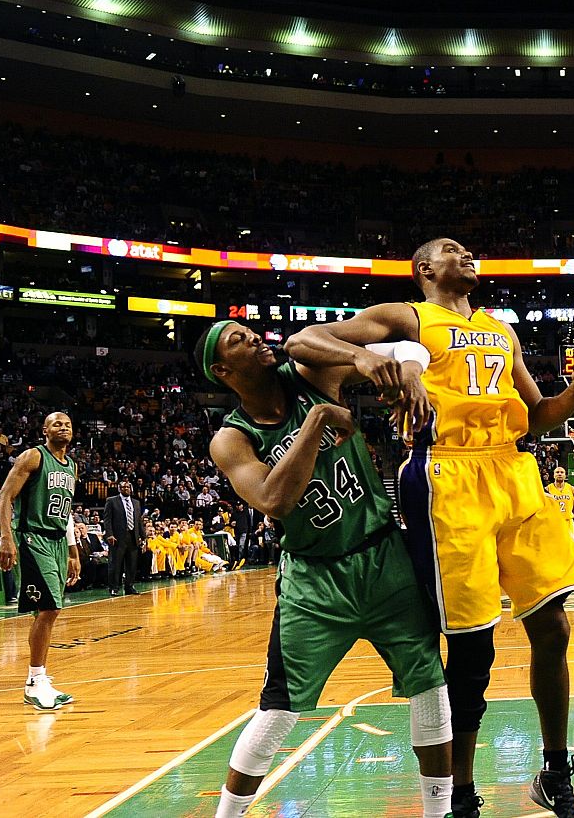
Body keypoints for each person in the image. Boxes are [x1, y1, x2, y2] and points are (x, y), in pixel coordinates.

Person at [284, 241, 574, 818]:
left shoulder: (503, 331)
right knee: (472, 648)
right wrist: (364, 359)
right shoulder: (407, 316)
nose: (470, 254)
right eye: (454, 250)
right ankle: (461, 793)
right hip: (446, 475)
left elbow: (537, 414)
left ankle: (555, 770)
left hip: (513, 470)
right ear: (425, 270)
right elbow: (300, 342)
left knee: (553, 625)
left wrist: (573, 394)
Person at [196, 320, 455, 818]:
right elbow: (274, 499)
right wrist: (316, 423)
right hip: (314, 582)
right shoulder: (231, 439)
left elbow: (406, 345)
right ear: (222, 370)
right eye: (236, 339)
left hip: (385, 560)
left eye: (249, 330)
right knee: (278, 712)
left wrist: (408, 374)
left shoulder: (311, 372)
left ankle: (438, 812)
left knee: (429, 688)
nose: (252, 336)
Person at [0, 411, 82, 711]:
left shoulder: (72, 466)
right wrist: (6, 538)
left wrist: (73, 551)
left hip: (57, 541)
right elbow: (4, 497)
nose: (64, 427)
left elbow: (66, 511)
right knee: (49, 609)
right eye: (57, 423)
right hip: (33, 537)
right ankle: (34, 681)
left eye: (68, 424)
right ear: (45, 429)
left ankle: (40, 678)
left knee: (45, 611)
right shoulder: (33, 457)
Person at [104, 480, 143, 595]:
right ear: (119, 489)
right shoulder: (111, 501)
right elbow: (107, 519)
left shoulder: (136, 502)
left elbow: (138, 521)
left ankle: (129, 586)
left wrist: (143, 536)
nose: (126, 488)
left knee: (132, 564)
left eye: (128, 487)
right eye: (123, 487)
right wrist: (109, 534)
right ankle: (114, 588)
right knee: (115, 564)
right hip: (117, 537)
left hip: (132, 536)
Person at [546, 466, 574, 539]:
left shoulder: (572, 489)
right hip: (554, 523)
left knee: (570, 548)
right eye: (557, 472)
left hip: (568, 523)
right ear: (553, 475)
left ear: (565, 475)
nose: (559, 474)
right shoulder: (547, 489)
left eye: (562, 472)